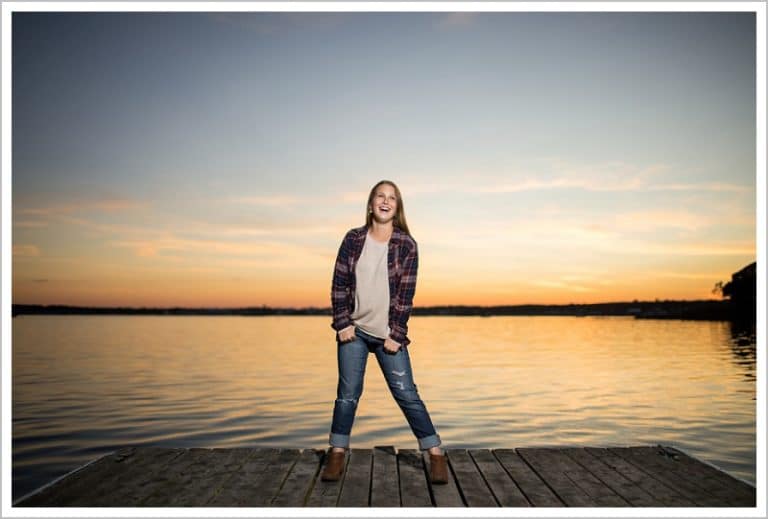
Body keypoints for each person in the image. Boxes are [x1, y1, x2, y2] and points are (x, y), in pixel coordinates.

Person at [321, 180, 448, 485]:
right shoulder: (353, 239)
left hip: (389, 335)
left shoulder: (407, 245)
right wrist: (342, 324)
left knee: (407, 394)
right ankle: (337, 452)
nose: (385, 201)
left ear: (397, 207)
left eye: (392, 198)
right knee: (347, 395)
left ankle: (435, 453)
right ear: (371, 203)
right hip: (355, 331)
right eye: (380, 196)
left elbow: (406, 294)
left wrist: (397, 333)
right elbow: (339, 283)